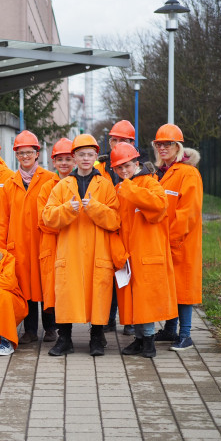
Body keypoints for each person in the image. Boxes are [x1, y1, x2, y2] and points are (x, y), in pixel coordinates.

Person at [42, 134, 121, 357]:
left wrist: (94, 208)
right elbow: (47, 217)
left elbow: (116, 220)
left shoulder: (105, 185)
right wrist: (68, 209)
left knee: (98, 293)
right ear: (74, 158)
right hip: (70, 249)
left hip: (98, 249)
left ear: (96, 157)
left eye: (90, 155)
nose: (85, 159)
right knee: (67, 293)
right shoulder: (62, 186)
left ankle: (97, 338)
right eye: (81, 155)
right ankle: (64, 339)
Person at [110, 142, 177, 358]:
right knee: (132, 300)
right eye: (119, 168)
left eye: (127, 166)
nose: (123, 171)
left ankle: (148, 342)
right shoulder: (119, 188)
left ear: (136, 163)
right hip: (129, 254)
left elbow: (159, 206)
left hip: (147, 253)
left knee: (144, 299)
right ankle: (139, 340)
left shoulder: (149, 183)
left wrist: (130, 188)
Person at [0, 130, 57, 345]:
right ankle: (30, 331)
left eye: (29, 152)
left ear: (37, 154)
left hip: (43, 242)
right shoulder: (9, 183)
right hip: (19, 245)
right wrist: (1, 247)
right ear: (16, 155)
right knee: (26, 289)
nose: (25, 157)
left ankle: (51, 328)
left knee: (46, 285)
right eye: (21, 153)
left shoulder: (50, 179)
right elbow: (2, 218)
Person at [151, 124, 203, 351]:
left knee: (183, 289)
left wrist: (171, 239)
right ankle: (170, 330)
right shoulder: (163, 172)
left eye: (167, 144)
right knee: (171, 287)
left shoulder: (188, 173)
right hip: (166, 241)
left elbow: (188, 213)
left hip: (180, 241)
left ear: (178, 146)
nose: (163, 148)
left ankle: (186, 334)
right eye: (159, 144)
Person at [98, 120, 136, 335]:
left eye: (123, 140)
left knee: (129, 274)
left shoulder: (138, 167)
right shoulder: (101, 167)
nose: (118, 143)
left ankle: (129, 320)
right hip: (107, 227)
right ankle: (108, 319)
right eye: (115, 140)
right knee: (108, 275)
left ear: (132, 142)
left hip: (130, 228)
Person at [37, 138, 76, 336]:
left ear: (75, 160)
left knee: (69, 286)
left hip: (74, 245)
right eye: (60, 159)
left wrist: (58, 220)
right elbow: (43, 221)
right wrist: (65, 223)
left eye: (68, 159)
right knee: (51, 287)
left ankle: (66, 330)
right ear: (53, 162)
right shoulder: (46, 187)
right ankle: (51, 329)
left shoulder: (81, 184)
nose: (64, 163)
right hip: (51, 243)